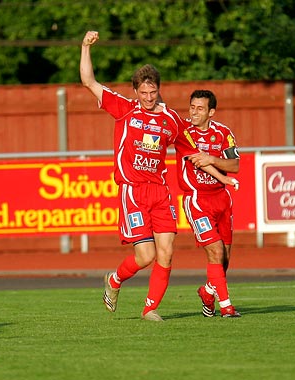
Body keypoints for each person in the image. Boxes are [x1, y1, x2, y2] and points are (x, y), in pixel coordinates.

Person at [79, 31, 238, 321]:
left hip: (160, 193)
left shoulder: (171, 120)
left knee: (166, 254)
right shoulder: (125, 110)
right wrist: (85, 47)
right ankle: (114, 280)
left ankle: (150, 308)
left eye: (153, 93)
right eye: (144, 93)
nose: (149, 98)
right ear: (136, 92)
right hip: (133, 191)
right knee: (146, 257)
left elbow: (193, 154)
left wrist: (222, 176)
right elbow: (89, 81)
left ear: (158, 90)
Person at [177, 90, 241, 318]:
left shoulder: (223, 132)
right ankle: (227, 307)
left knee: (224, 260)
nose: (194, 112)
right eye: (192, 106)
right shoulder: (182, 131)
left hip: (222, 199)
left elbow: (234, 166)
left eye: (200, 108)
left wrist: (212, 158)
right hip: (197, 199)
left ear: (211, 112)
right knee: (214, 251)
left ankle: (207, 291)